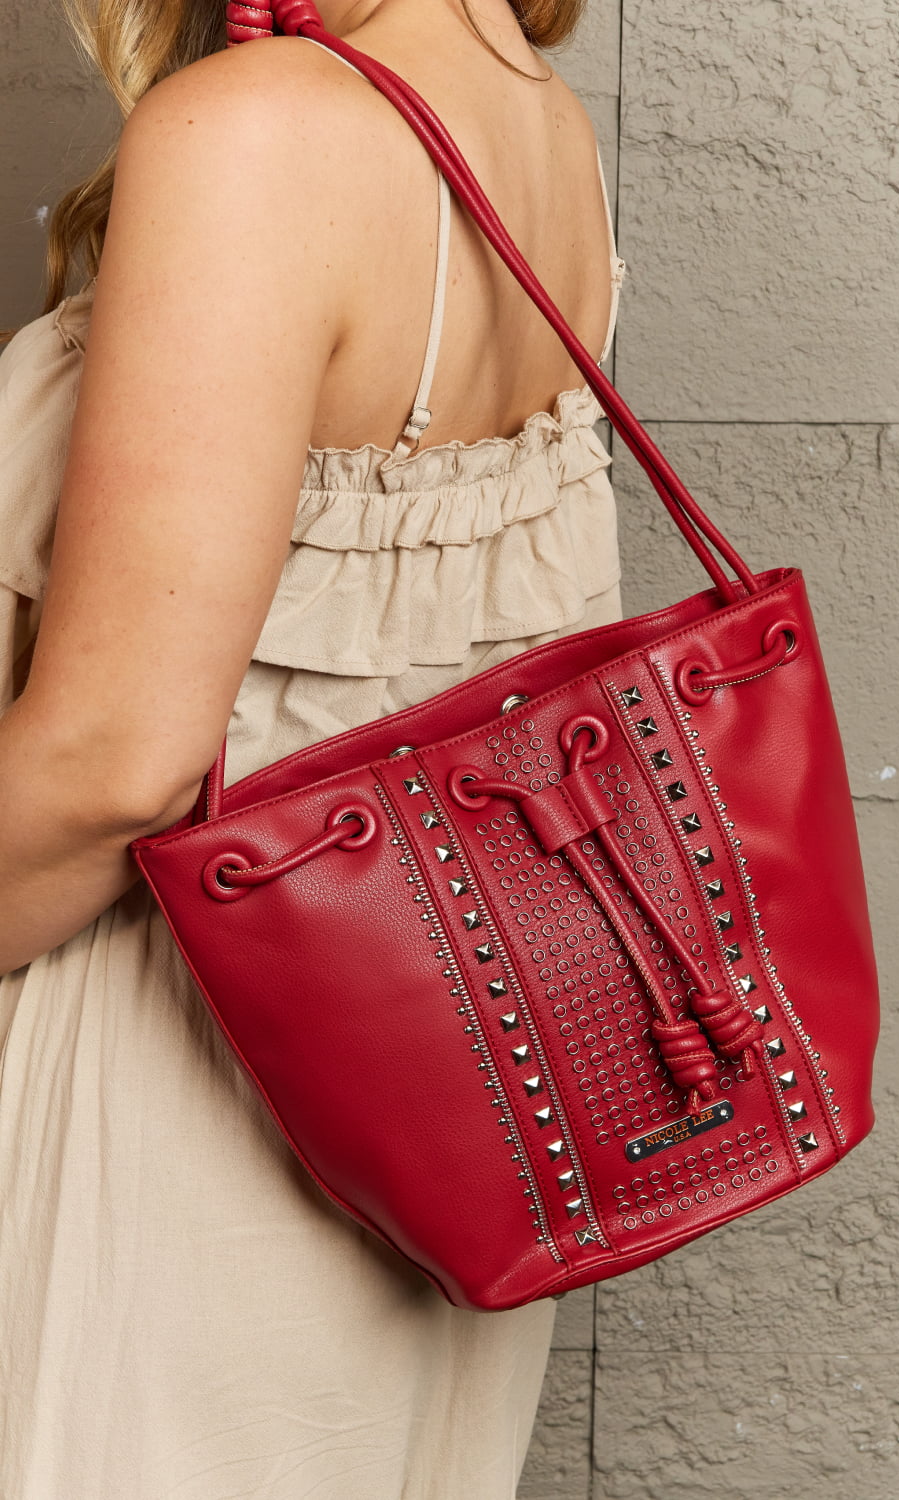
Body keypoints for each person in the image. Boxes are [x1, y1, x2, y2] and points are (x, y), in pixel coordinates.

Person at [0, 0, 625, 1493]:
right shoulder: (536, 121)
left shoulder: (260, 134)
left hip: (177, 1128)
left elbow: (115, 768)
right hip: (426, 1130)